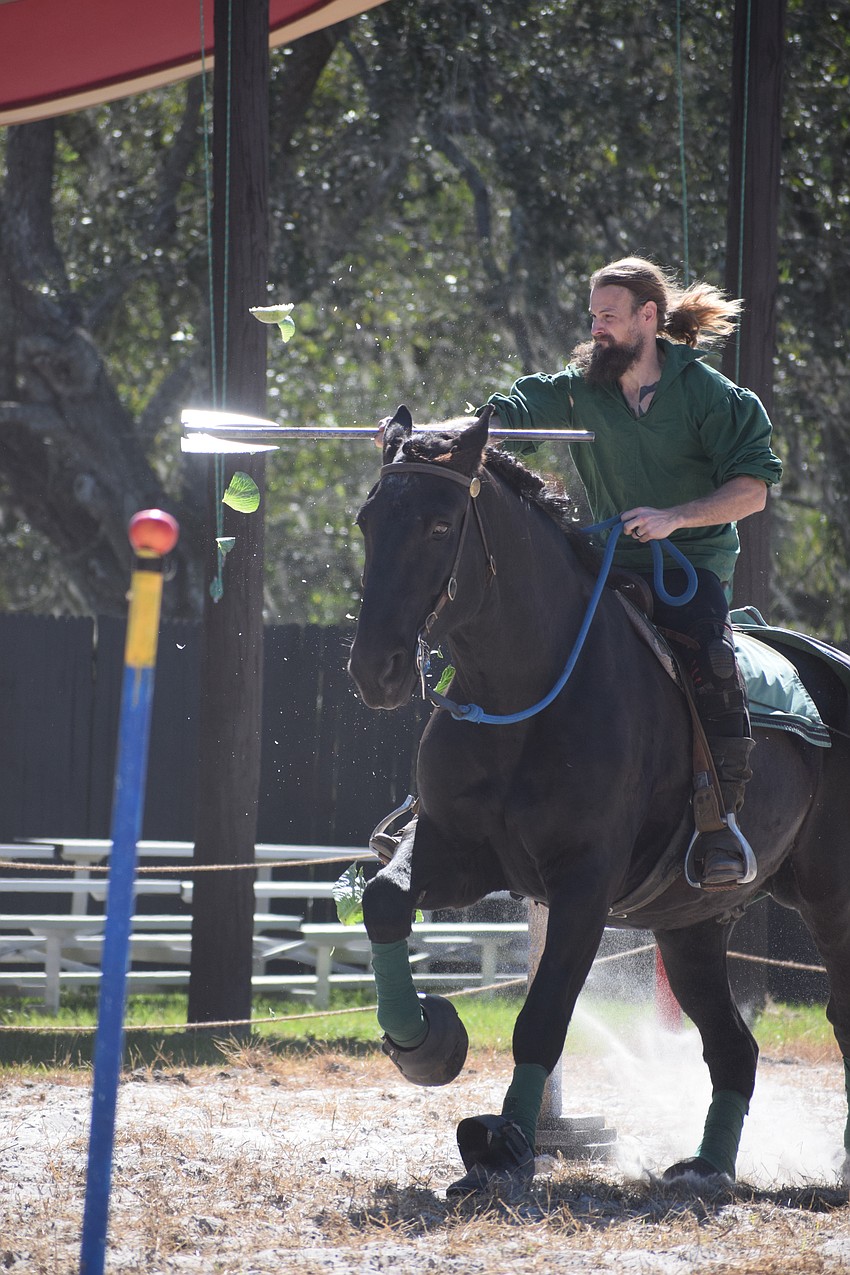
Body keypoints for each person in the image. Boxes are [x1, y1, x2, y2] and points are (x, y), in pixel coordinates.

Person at [484, 256, 783, 888]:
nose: (597, 328)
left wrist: (675, 518)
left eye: (609, 317)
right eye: (593, 316)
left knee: (710, 658)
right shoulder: (577, 387)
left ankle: (716, 820)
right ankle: (448, 799)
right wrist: (435, 437)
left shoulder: (713, 396)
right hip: (606, 563)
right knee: (508, 630)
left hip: (689, 566)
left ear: (648, 317)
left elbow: (753, 490)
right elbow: (505, 416)